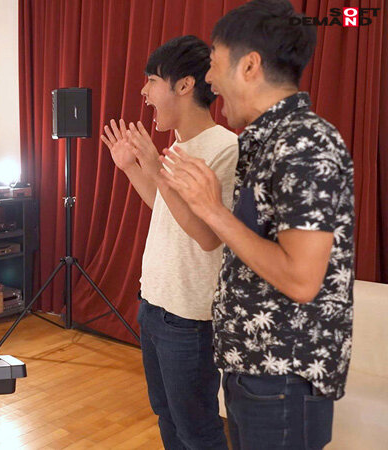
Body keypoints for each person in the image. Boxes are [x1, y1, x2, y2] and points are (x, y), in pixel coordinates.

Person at [160, 1, 355, 448]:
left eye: (214, 63)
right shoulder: (265, 141)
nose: (210, 80)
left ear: (249, 66)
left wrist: (212, 209)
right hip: (254, 370)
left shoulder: (304, 142)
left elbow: (301, 279)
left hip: (282, 376)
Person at [101, 35, 237, 449]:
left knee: (197, 428)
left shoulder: (225, 149)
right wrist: (131, 168)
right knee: (165, 415)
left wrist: (157, 169)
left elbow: (208, 236)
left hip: (189, 316)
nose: (143, 92)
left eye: (151, 80)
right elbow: (168, 209)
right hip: (154, 304)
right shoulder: (179, 146)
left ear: (184, 85)